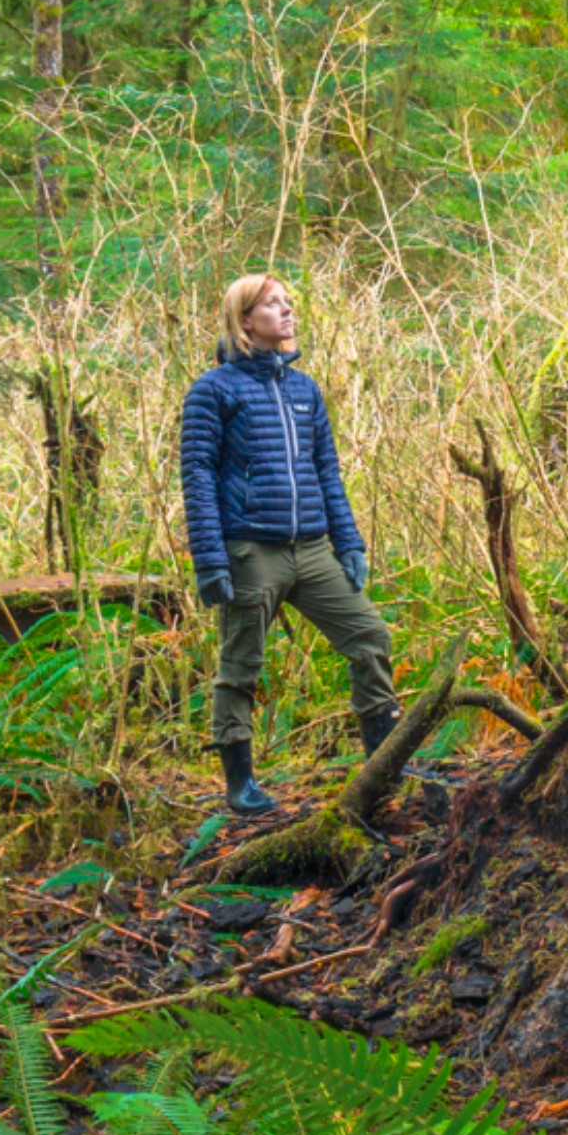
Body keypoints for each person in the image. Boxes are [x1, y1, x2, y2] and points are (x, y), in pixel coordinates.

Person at [178, 272, 397, 815]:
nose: (286, 310)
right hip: (251, 550)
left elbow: (326, 469)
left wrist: (349, 542)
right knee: (240, 665)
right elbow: (198, 474)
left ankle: (382, 765)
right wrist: (210, 559)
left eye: (288, 302)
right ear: (245, 319)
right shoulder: (214, 389)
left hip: (314, 549)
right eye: (272, 304)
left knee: (370, 636)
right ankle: (240, 785)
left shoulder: (305, 389)